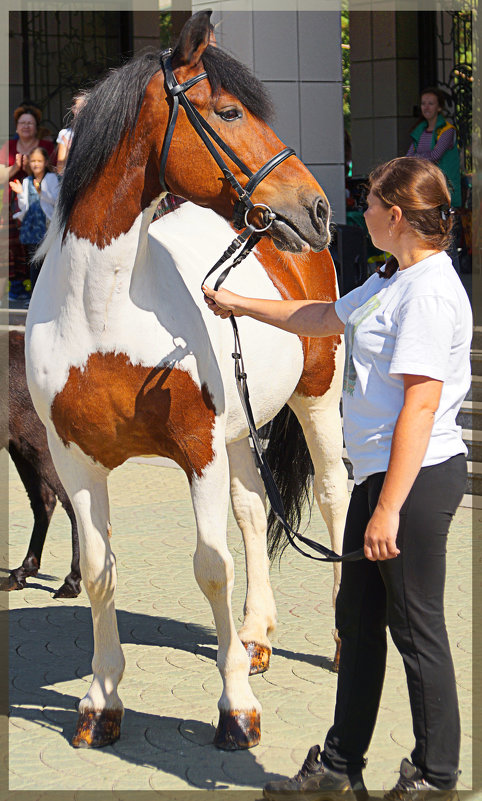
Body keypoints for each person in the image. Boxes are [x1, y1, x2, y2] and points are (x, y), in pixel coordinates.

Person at [202, 157, 471, 801]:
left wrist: (387, 511)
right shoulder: (391, 279)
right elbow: (321, 317)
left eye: (370, 201)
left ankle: (437, 776)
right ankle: (341, 767)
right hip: (379, 475)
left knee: (416, 629)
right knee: (357, 623)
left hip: (415, 479)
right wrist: (238, 303)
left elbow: (422, 406)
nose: (362, 211)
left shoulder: (430, 291)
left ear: (397, 215)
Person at [0, 104, 55, 304]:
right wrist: (15, 167)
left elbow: (55, 172)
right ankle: (16, 289)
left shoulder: (47, 147)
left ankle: (38, 289)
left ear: (36, 126)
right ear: (16, 127)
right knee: (13, 246)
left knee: (38, 246)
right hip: (13, 203)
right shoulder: (9, 147)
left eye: (30, 123)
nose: (26, 126)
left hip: (41, 207)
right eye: (22, 123)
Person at [9, 147, 59, 291]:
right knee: (34, 263)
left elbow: (55, 200)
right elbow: (24, 206)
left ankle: (49, 293)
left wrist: (40, 191)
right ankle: (34, 295)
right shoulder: (26, 181)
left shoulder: (51, 179)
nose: (36, 164)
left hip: (48, 227)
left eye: (39, 161)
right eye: (33, 161)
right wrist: (20, 193)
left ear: (45, 162)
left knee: (48, 262)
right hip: (32, 228)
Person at [407, 87, 461, 209]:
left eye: (430, 104)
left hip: (444, 190)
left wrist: (415, 158)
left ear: (439, 107)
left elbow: (435, 156)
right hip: (425, 189)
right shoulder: (419, 131)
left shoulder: (447, 130)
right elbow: (408, 157)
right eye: (423, 103)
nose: (426, 107)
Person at [56, 91, 87, 174]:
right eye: (79, 107)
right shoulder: (65, 134)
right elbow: (60, 168)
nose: (82, 111)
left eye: (85, 107)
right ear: (73, 109)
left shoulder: (96, 132)